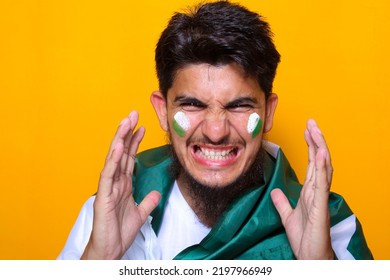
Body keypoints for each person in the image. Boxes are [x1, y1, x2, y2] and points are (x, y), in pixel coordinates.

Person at [57, 0, 373, 260]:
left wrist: (319, 268)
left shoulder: (330, 224)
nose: (216, 131)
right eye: (193, 104)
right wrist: (99, 259)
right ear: (162, 111)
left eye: (239, 105)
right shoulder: (107, 212)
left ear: (269, 111)